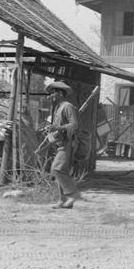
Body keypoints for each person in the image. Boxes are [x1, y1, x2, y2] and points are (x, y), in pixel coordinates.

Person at [44, 81, 81, 209]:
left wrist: (57, 127)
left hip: (67, 143)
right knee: (61, 170)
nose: (51, 96)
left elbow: (73, 125)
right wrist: (52, 129)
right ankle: (62, 200)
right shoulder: (58, 107)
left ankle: (73, 194)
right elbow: (57, 127)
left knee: (57, 168)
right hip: (60, 143)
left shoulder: (67, 106)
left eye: (53, 93)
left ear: (60, 93)